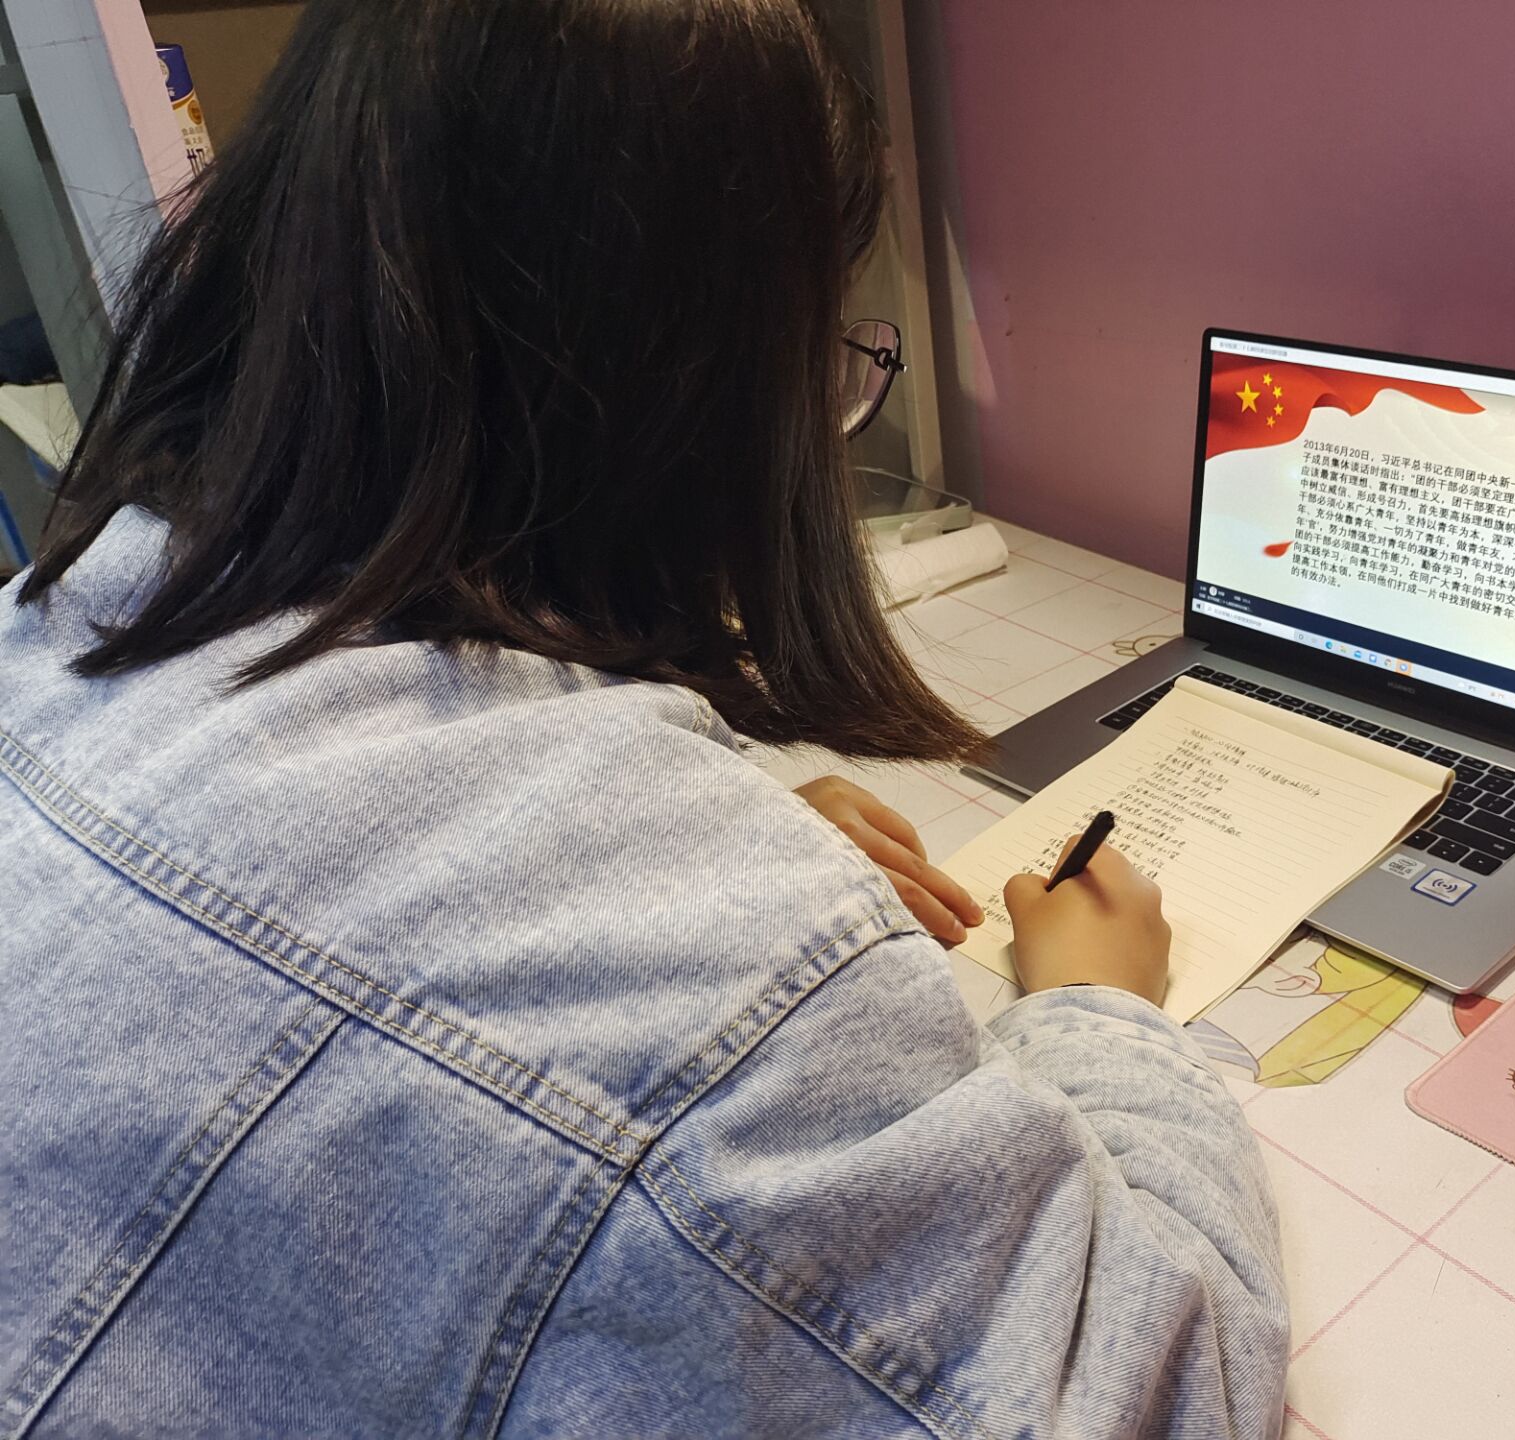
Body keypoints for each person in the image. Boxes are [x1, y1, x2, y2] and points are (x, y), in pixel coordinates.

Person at [0, 1, 1287, 1434]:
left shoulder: (61, 616)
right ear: (695, 392)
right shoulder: (709, 998)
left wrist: (659, 830)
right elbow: (1161, 1385)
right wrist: (1101, 1007)